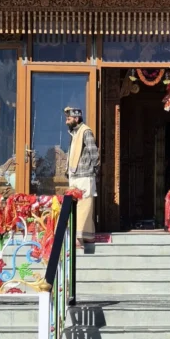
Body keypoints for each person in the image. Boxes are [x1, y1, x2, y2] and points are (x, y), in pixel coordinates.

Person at [64, 106, 100, 248]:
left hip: (85, 174)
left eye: (69, 117)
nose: (67, 120)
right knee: (79, 205)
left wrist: (94, 170)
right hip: (75, 175)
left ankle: (78, 238)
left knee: (84, 205)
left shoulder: (86, 132)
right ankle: (89, 236)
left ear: (77, 118)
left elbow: (94, 153)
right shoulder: (74, 133)